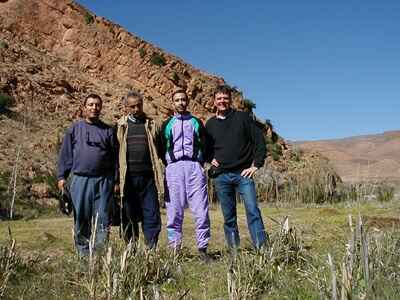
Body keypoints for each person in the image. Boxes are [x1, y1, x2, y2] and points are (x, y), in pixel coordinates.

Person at [205, 85, 267, 249]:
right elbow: (204, 148)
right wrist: (210, 158)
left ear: (230, 100)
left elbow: (259, 140)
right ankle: (234, 252)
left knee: (253, 211)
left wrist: (256, 165)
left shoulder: (243, 118)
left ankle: (262, 250)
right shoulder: (210, 124)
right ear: (214, 101)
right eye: (219, 98)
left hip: (243, 174)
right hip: (221, 176)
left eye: (225, 98)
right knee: (229, 216)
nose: (222, 101)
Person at [57, 94, 118, 256]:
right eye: (90, 104)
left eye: (97, 105)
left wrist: (116, 180)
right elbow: (66, 155)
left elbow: (115, 158)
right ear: (84, 107)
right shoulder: (75, 129)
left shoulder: (108, 131)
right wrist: (61, 177)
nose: (94, 108)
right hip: (80, 180)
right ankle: (83, 257)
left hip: (104, 181)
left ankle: (99, 256)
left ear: (101, 107)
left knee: (102, 219)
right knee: (82, 218)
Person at [160, 88, 211, 259]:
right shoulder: (167, 124)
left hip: (194, 167)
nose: (181, 102)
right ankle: (175, 249)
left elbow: (205, 144)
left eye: (183, 99)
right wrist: (169, 163)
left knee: (201, 210)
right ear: (172, 102)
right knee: (174, 210)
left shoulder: (196, 122)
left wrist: (201, 161)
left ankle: (202, 248)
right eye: (177, 100)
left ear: (187, 101)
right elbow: (162, 148)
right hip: (174, 169)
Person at [116, 91, 163, 248]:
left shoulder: (151, 125)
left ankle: (151, 248)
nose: (136, 109)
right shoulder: (120, 126)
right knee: (129, 215)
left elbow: (160, 150)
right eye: (133, 106)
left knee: (151, 214)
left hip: (148, 179)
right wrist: (116, 180)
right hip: (128, 179)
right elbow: (115, 154)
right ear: (126, 107)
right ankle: (131, 249)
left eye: (139, 105)